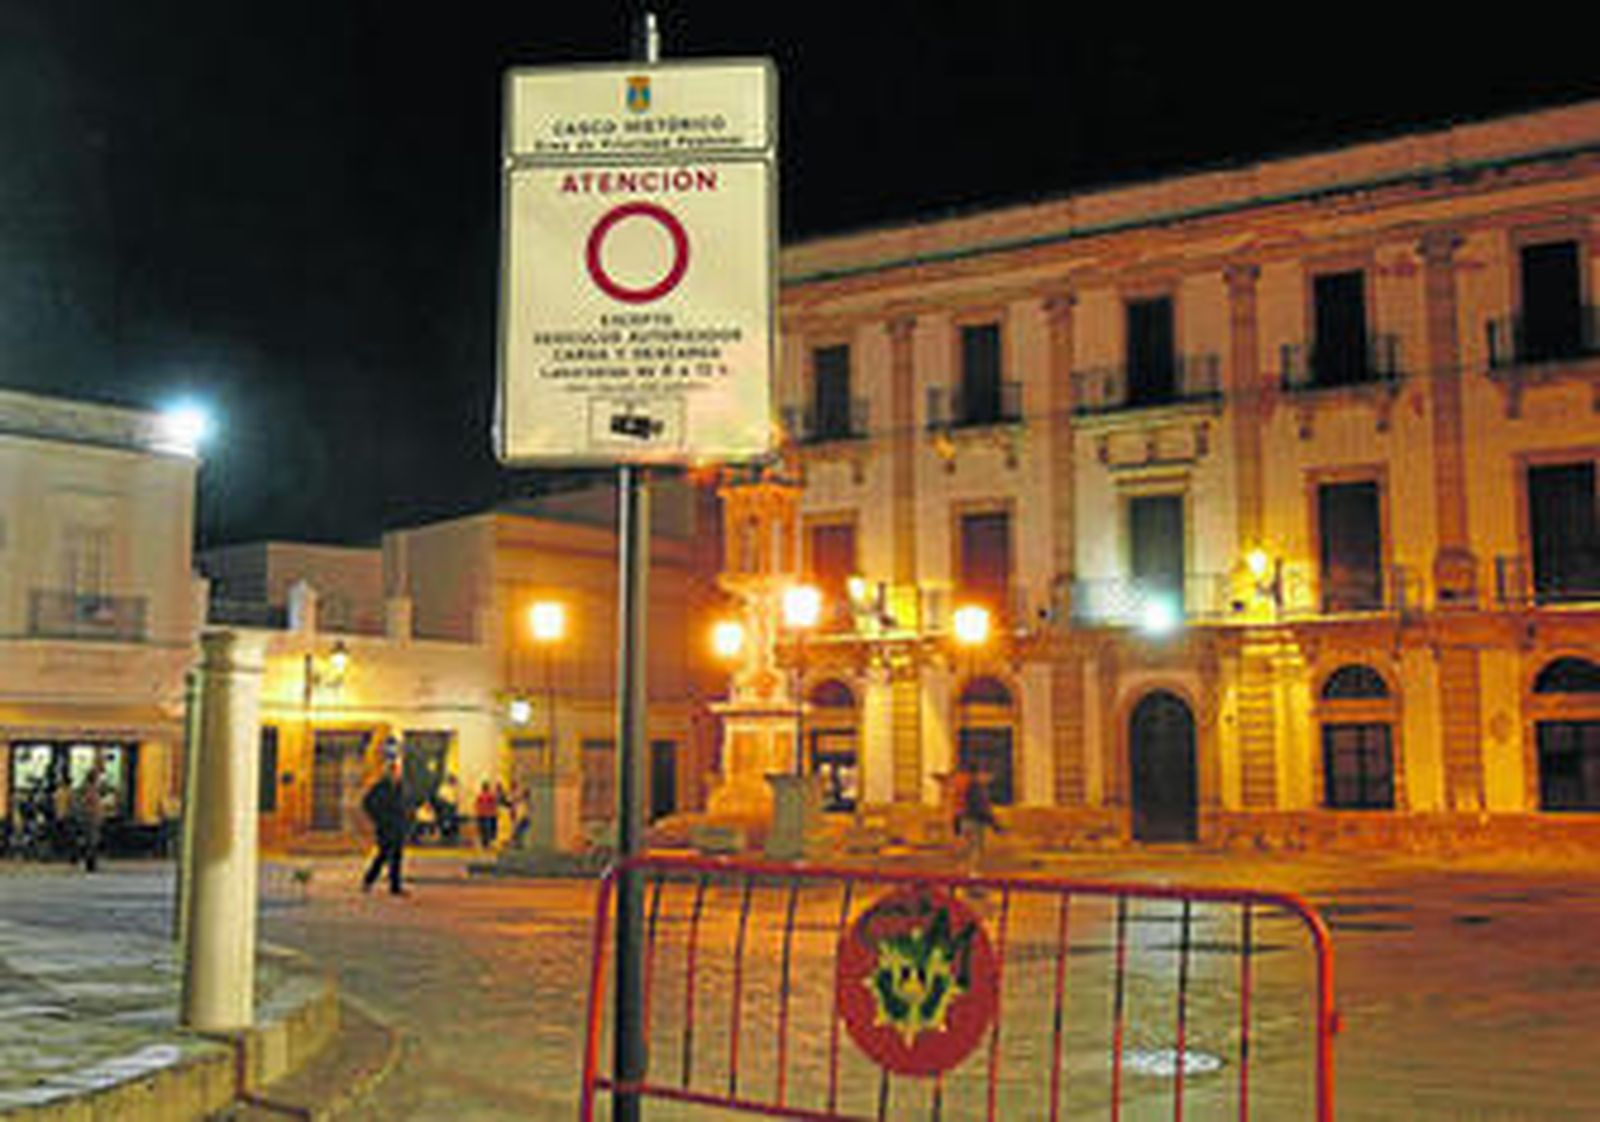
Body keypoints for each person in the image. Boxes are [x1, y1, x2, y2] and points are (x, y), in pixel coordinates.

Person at [361, 759, 411, 896]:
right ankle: (368, 880)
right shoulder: (380, 787)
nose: (397, 774)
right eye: (395, 771)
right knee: (382, 855)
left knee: (396, 857)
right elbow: (367, 803)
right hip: (385, 828)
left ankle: (395, 886)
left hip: (398, 828)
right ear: (389, 772)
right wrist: (379, 819)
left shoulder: (400, 787)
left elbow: (404, 805)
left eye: (398, 771)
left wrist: (406, 820)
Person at [72, 763, 109, 873]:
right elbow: (86, 804)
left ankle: (90, 862)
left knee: (92, 841)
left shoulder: (90, 789)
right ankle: (90, 863)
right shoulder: (89, 790)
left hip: (91, 818)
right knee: (91, 841)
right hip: (90, 819)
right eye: (97, 777)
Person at [474, 779, 500, 849]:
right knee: (483, 829)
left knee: (487, 829)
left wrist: (493, 812)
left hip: (487, 814)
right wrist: (478, 811)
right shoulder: (481, 795)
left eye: (485, 787)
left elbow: (493, 804)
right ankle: (484, 842)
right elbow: (477, 804)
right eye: (484, 787)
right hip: (483, 814)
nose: (485, 788)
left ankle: (487, 842)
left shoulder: (490, 795)